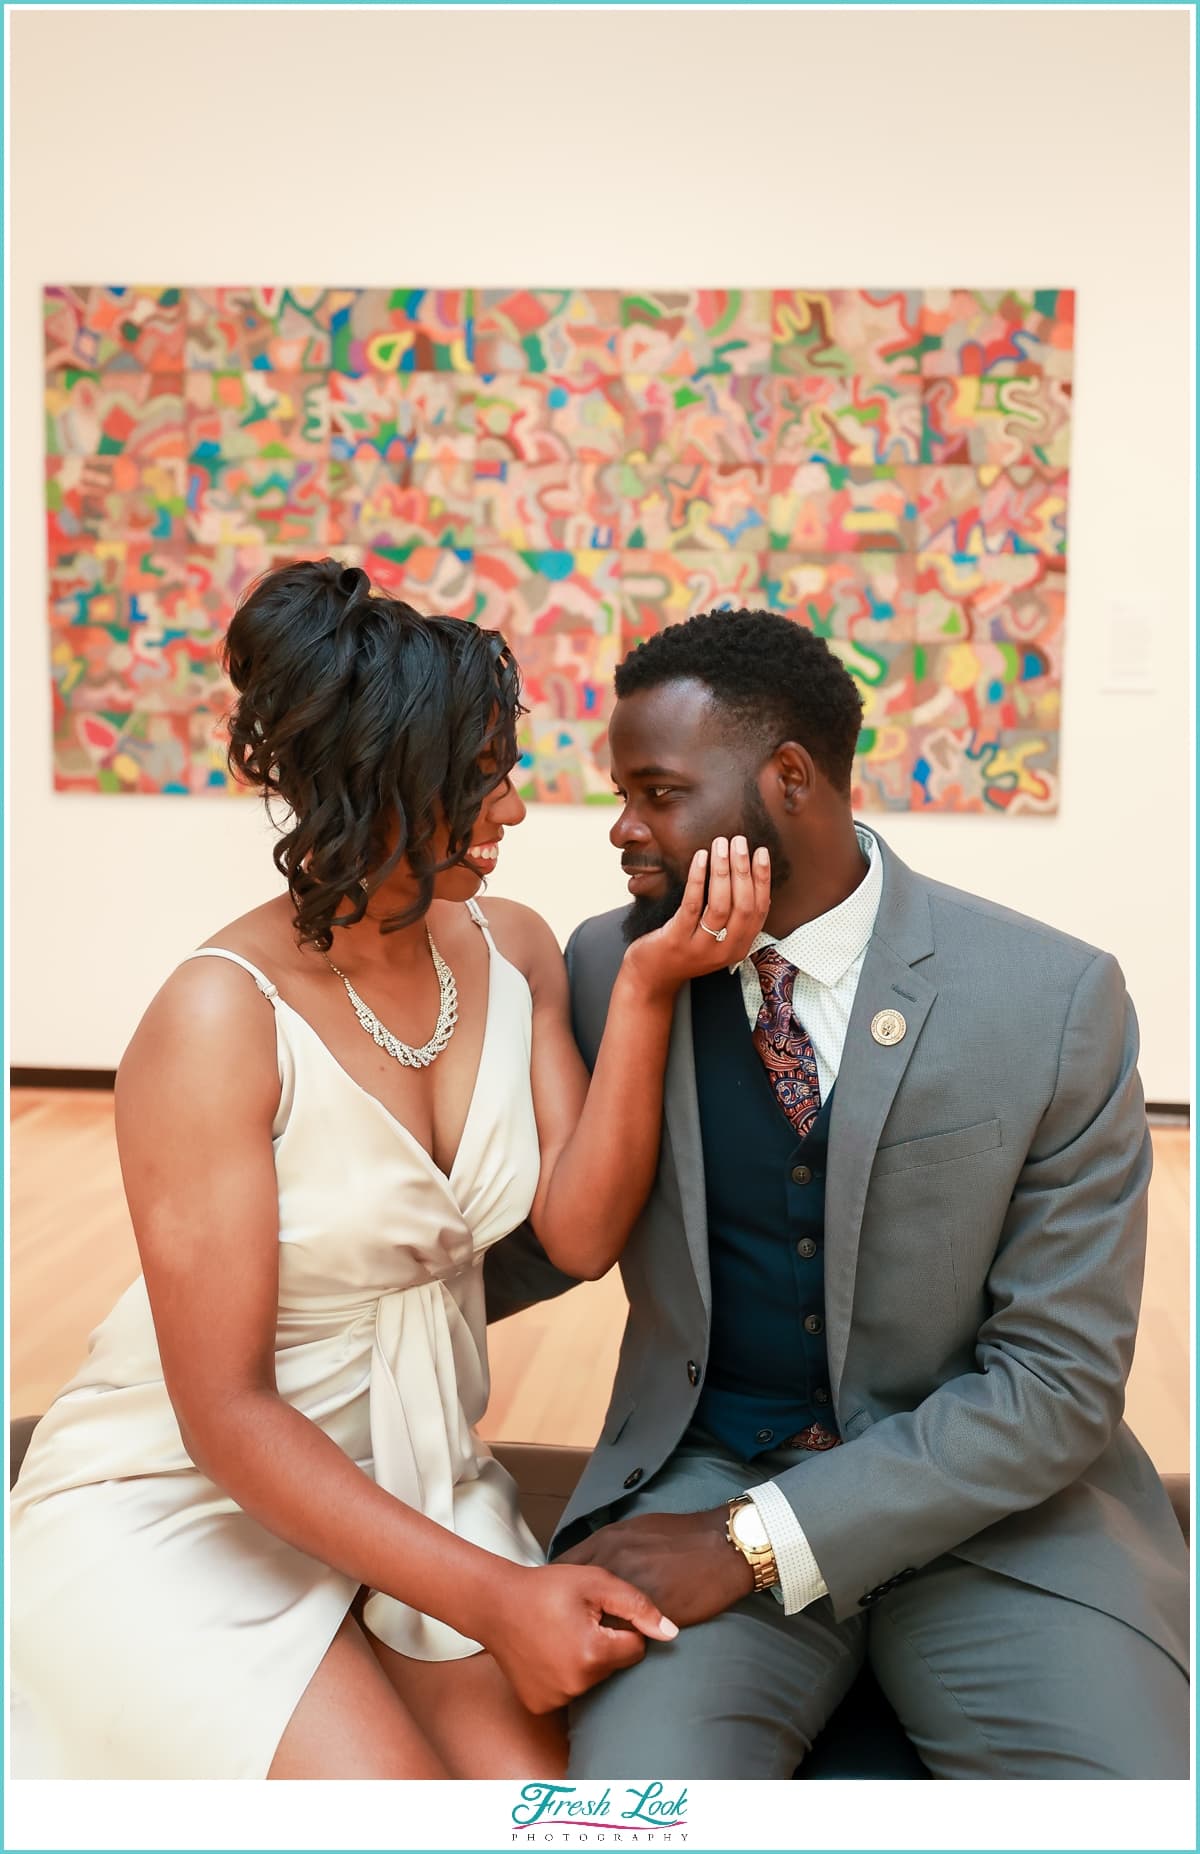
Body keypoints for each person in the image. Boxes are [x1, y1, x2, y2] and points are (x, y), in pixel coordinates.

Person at [9, 561, 772, 1780]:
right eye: (480, 780)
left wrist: (642, 990)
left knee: (545, 1809)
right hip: (188, 1498)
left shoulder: (512, 948)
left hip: (423, 1477)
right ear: (374, 782)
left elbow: (577, 1235)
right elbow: (227, 1416)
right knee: (399, 1808)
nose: (514, 810)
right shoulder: (216, 1020)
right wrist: (496, 1600)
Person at [485, 607, 1190, 1780]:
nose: (623, 829)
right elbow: (557, 1224)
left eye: (657, 792)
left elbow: (1058, 1386)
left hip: (1000, 1519)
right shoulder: (613, 967)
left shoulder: (1052, 999)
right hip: (700, 1477)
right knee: (636, 1816)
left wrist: (759, 1542)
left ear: (791, 779)